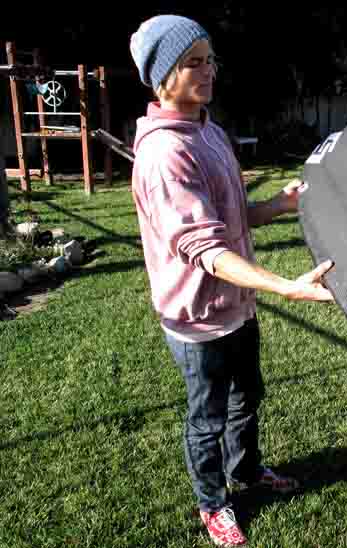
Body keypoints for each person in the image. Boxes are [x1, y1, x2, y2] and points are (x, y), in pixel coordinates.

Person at [129, 15, 334, 547]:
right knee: (208, 418)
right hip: (198, 320)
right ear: (162, 77)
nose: (209, 71)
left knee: (247, 398)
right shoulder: (164, 155)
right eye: (193, 63)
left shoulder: (210, 132)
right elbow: (205, 248)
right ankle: (213, 503)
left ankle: (246, 471)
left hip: (238, 307)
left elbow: (232, 216)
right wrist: (285, 286)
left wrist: (280, 205)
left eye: (210, 59)